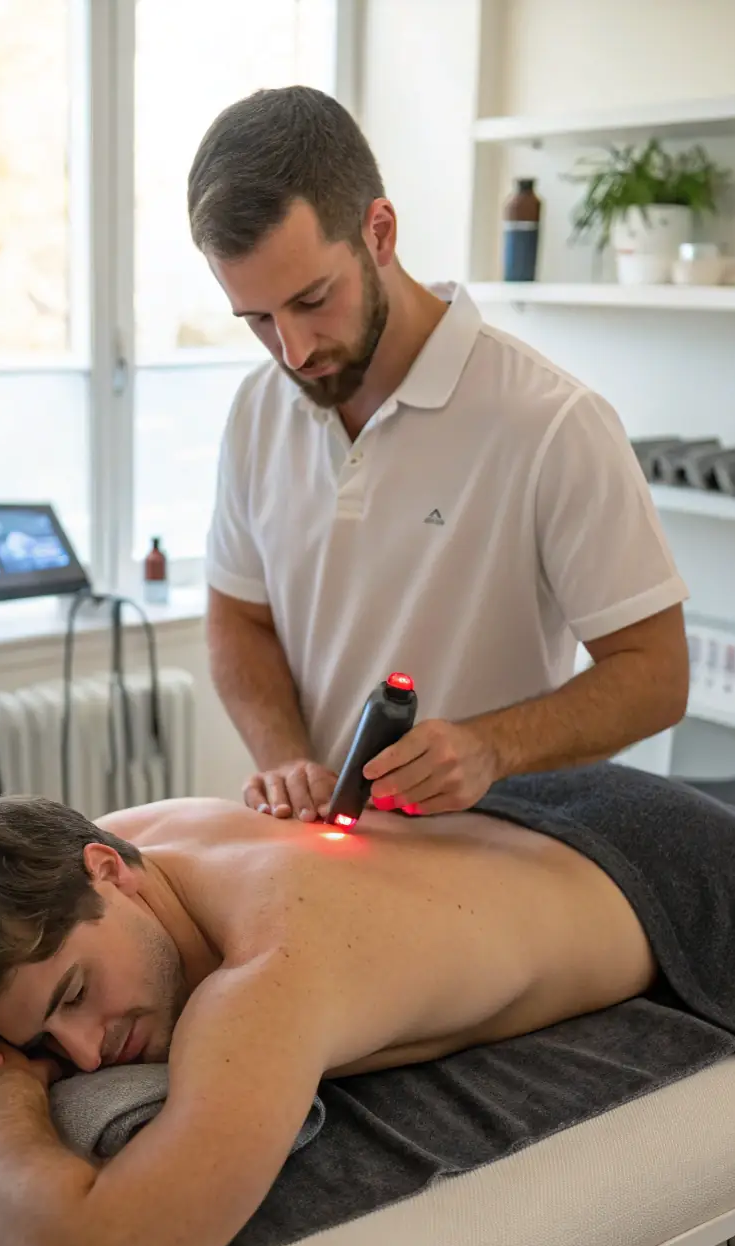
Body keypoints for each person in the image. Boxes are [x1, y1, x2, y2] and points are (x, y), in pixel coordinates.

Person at [0, 764, 735, 1246]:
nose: (87, 1053)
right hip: (535, 814)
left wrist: (0, 1102)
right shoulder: (115, 850)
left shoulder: (274, 968)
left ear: (109, 870)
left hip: (692, 882)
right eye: (41, 1047)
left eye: (71, 996)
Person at [189, 87, 690, 823]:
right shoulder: (258, 409)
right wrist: (286, 757)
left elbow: (657, 675)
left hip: (497, 864)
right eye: (258, 318)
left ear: (380, 231)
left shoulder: (552, 423)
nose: (292, 350)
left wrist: (493, 746)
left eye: (312, 298)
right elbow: (238, 618)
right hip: (324, 857)